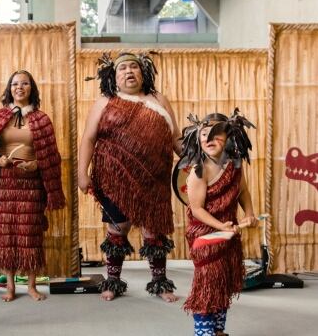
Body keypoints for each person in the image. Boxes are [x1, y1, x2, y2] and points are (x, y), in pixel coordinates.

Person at [78, 53, 181, 302]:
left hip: (154, 179)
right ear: (114, 76)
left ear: (143, 72)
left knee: (154, 230)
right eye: (122, 68)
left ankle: (160, 283)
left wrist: (195, 161)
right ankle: (112, 281)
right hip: (115, 179)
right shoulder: (105, 101)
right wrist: (82, 173)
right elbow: (89, 138)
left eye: (133, 66)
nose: (129, 71)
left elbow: (176, 137)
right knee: (117, 227)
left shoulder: (158, 100)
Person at [0, 70, 65, 302]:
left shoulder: (42, 120)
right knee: (5, 236)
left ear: (31, 88)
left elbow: (52, 156)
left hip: (31, 186)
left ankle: (32, 286)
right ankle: (10, 286)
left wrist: (36, 164)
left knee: (30, 235)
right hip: (4, 185)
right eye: (15, 83)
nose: (19, 87)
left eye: (25, 83)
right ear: (9, 88)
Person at [179, 110, 257, 336]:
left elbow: (243, 192)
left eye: (216, 134)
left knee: (223, 282)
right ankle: (204, 332)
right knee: (207, 286)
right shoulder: (198, 171)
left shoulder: (235, 164)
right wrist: (220, 226)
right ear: (198, 138)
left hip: (229, 234)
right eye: (204, 135)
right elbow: (197, 209)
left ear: (229, 136)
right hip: (205, 236)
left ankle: (218, 330)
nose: (209, 139)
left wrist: (249, 213)